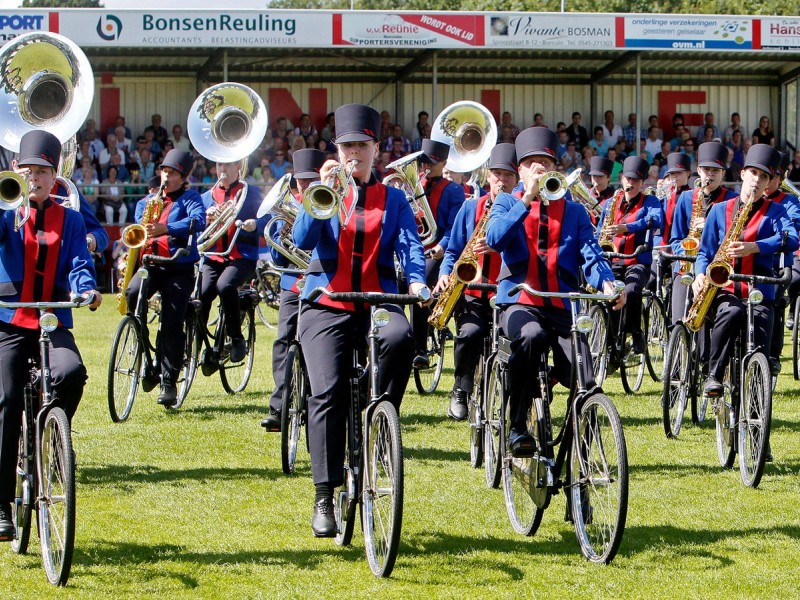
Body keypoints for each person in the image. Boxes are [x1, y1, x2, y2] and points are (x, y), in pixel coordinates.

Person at [292, 104, 429, 537]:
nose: (354, 154)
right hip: (326, 300)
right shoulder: (325, 191)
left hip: (377, 299)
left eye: (362, 146)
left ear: (376, 149)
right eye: (347, 146)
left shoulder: (393, 197)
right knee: (327, 392)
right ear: (337, 149)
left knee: (402, 336)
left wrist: (417, 282)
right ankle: (324, 493)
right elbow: (300, 240)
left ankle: (381, 418)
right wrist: (321, 195)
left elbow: (410, 246)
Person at [484, 127, 625, 457]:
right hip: (519, 302)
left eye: (545, 163)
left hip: (562, 307)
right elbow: (494, 239)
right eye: (531, 163)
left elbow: (591, 254)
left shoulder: (574, 211)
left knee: (584, 373)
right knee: (531, 336)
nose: (539, 169)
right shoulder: (506, 201)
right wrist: (527, 198)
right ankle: (517, 425)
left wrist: (609, 284)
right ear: (520, 170)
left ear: (555, 168)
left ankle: (584, 463)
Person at [0, 130, 102, 540]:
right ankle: (2, 503)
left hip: (52, 320)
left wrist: (85, 288)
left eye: (42, 171)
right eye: (28, 171)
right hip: (9, 319)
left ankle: (54, 433)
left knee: (71, 373)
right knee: (5, 400)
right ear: (15, 171)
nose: (35, 178)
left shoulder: (71, 217)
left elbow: (79, 260)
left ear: (55, 174)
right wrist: (11, 208)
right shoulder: (6, 211)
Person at [694, 145, 798, 398]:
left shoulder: (777, 211)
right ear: (742, 174)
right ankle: (714, 375)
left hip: (759, 289)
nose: (757, 181)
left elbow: (793, 238)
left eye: (764, 177)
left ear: (770, 182)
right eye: (753, 173)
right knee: (730, 313)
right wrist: (699, 274)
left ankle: (755, 401)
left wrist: (756, 247)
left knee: (763, 328)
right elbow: (704, 253)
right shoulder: (719, 210)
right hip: (726, 287)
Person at [433, 143, 517, 420]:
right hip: (473, 292)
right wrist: (445, 272)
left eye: (507, 175)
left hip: (508, 291)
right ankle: (461, 388)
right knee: (469, 334)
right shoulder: (470, 208)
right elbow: (454, 250)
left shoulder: (522, 211)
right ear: (487, 176)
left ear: (516, 180)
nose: (501, 181)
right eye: (497, 174)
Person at [124, 149, 206, 407]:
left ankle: (168, 382)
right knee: (131, 295)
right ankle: (148, 359)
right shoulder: (146, 202)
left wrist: (167, 228)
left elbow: (198, 221)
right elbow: (139, 226)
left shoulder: (191, 198)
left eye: (172, 173)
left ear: (183, 178)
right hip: (150, 264)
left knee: (172, 323)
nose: (166, 177)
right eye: (164, 171)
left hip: (178, 267)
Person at [261, 148, 326, 432]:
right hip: (293, 281)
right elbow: (275, 258)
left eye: (311, 179)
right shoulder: (289, 206)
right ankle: (279, 406)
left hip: (324, 283)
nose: (306, 186)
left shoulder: (329, 202)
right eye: (301, 180)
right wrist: (285, 235)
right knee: (284, 339)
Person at [199, 161, 265, 364]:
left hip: (241, 256)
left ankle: (237, 338)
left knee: (225, 285)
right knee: (201, 294)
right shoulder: (206, 197)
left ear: (238, 167)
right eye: (219, 165)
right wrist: (205, 220)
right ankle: (202, 344)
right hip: (214, 256)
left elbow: (269, 219)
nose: (223, 170)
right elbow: (196, 228)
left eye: (228, 166)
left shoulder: (251, 193)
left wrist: (256, 224)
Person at [597, 156, 663, 352]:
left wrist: (626, 227)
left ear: (642, 183)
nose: (631, 183)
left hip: (637, 260)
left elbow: (656, 219)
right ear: (622, 179)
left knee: (632, 290)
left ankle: (635, 332)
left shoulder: (650, 201)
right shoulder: (610, 203)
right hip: (613, 260)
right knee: (609, 294)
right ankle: (611, 341)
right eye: (628, 179)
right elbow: (600, 229)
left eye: (635, 180)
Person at [411, 138, 466, 368]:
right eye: (424, 162)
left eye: (431, 163)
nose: (426, 167)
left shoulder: (454, 190)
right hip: (416, 248)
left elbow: (454, 227)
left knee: (421, 284)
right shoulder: (415, 186)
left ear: (443, 163)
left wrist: (441, 246)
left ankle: (420, 348)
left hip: (438, 250)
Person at [669, 142, 739, 324]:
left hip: (715, 267)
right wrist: (688, 249)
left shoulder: (732, 200)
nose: (710, 175)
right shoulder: (686, 198)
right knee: (679, 319)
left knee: (708, 320)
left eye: (715, 170)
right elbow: (675, 238)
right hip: (686, 266)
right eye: (707, 169)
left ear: (723, 173)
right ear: (699, 171)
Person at [764, 152, 800, 372]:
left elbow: (792, 227)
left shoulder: (789, 201)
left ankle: (773, 352)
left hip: (778, 263)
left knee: (777, 298)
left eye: (774, 177)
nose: (768, 182)